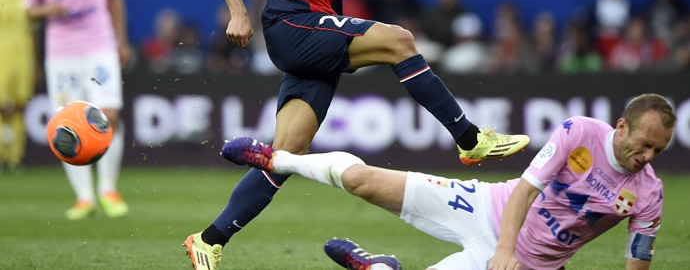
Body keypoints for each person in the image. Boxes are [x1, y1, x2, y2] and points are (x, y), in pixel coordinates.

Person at [183, 0, 529, 269]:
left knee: (285, 154)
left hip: (321, 30)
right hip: (289, 26)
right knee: (399, 40)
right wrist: (238, 11)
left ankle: (209, 240)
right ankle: (470, 138)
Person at [223, 93, 676, 270]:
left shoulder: (647, 194)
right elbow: (525, 189)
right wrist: (503, 249)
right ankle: (276, 157)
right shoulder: (579, 132)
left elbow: (637, 264)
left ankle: (380, 268)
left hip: (526, 264)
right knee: (362, 180)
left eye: (659, 151)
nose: (648, 157)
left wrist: (507, 258)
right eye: (645, 144)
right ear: (621, 127)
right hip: (488, 207)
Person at [22, 0, 131, 220]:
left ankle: (108, 188)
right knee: (65, 123)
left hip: (99, 43)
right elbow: (29, 10)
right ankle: (84, 197)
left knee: (108, 113)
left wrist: (121, 40)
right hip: (62, 51)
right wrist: (47, 9)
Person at [0, 0, 35, 172]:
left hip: (24, 58)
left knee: (20, 107)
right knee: (2, 108)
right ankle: (2, 155)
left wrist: (37, 62)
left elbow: (33, 30)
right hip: (1, 57)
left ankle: (15, 157)